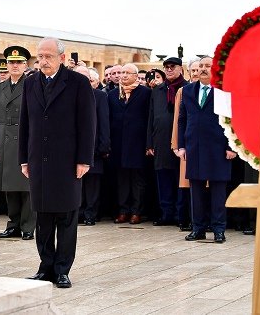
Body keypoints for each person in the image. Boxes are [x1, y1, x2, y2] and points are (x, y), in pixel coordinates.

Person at [19, 37, 95, 289]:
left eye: (48, 56)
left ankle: (62, 269)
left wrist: (84, 159)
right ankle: (45, 267)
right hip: (38, 160)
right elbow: (26, 123)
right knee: (42, 217)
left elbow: (87, 124)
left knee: (65, 216)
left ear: (62, 58)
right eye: (40, 56)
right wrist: (23, 159)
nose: (43, 61)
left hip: (67, 161)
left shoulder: (78, 83)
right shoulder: (30, 83)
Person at [177, 56, 236, 243]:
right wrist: (181, 145)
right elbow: (182, 119)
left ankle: (219, 229)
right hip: (194, 146)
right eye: (200, 66)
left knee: (218, 190)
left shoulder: (223, 91)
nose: (203, 69)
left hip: (218, 148)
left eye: (207, 66)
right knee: (196, 190)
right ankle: (198, 228)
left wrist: (231, 146)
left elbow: (231, 119)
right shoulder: (187, 91)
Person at [0, 46, 34, 240]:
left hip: (25, 139)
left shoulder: (32, 86)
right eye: (11, 62)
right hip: (4, 140)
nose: (14, 66)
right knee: (9, 187)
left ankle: (28, 226)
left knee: (27, 187)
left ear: (25, 65)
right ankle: (13, 224)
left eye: (19, 62)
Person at [146, 57, 190, 229]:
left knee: (180, 179)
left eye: (172, 67)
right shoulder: (157, 90)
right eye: (166, 67)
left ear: (181, 68)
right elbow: (151, 117)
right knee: (163, 177)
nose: (169, 70)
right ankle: (166, 213)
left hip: (181, 141)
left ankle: (181, 215)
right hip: (160, 140)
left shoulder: (187, 88)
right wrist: (149, 143)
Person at [108, 63, 151, 225]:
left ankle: (136, 211)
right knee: (122, 179)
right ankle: (123, 210)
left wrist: (148, 144)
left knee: (137, 179)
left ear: (135, 75)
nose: (124, 76)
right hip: (118, 144)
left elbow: (149, 119)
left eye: (128, 73)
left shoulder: (145, 93)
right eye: (122, 73)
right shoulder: (113, 94)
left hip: (137, 144)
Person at [73, 66, 110, 226]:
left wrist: (104, 146)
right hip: (73, 149)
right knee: (77, 183)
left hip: (94, 148)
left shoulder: (99, 96)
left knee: (92, 185)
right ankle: (78, 212)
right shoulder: (69, 96)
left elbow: (104, 122)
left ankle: (90, 213)